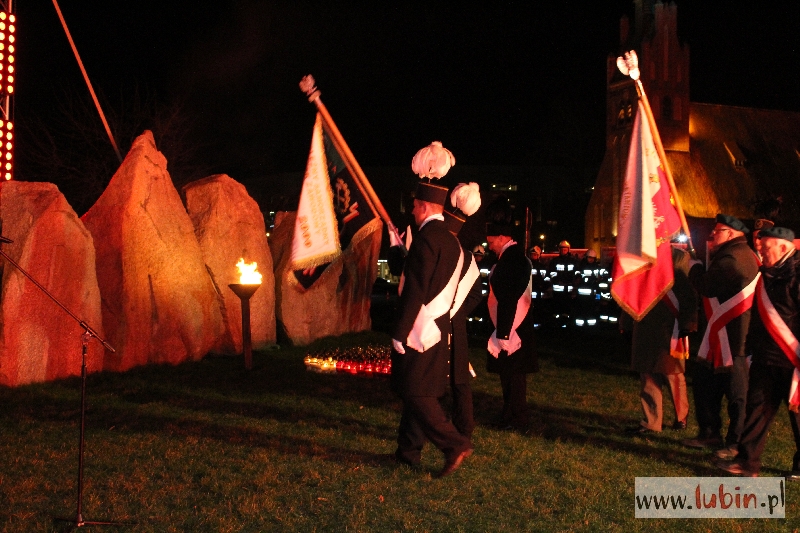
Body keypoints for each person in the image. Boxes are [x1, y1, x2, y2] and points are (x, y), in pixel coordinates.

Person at [391, 143, 473, 478]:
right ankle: (407, 452)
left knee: (415, 390)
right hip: (440, 328)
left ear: (424, 206)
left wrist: (399, 332)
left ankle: (454, 444)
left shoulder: (426, 239)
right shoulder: (451, 239)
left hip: (421, 329)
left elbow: (416, 289)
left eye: (414, 206)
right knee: (417, 390)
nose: (412, 211)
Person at [716, 227, 800, 478]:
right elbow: (757, 317)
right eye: (760, 247)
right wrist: (750, 348)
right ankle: (747, 463)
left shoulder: (796, 276)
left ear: (783, 247)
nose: (761, 252)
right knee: (756, 412)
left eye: (766, 248)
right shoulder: (766, 275)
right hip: (766, 357)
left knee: (798, 417)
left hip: (792, 360)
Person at [683, 214, 760, 459]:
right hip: (723, 335)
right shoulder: (734, 254)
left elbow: (707, 286)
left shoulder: (733, 258)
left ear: (732, 234)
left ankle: (735, 441)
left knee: (737, 394)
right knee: (706, 384)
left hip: (734, 337)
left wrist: (693, 267)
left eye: (718, 231)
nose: (713, 235)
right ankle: (710, 433)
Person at [624, 245, 698, 434]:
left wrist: (687, 324)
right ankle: (652, 421)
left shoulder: (676, 272)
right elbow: (632, 296)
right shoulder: (640, 270)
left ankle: (681, 417)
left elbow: (689, 299)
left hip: (669, 329)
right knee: (648, 375)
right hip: (645, 328)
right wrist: (626, 319)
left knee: (672, 374)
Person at [484, 197, 539, 430]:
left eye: (491, 242)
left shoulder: (512, 260)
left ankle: (517, 417)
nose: (489, 246)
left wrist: (504, 333)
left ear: (501, 237)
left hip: (513, 327)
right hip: (509, 326)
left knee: (514, 377)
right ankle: (509, 413)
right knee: (508, 375)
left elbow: (509, 297)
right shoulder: (510, 258)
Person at [442, 183, 483, 439]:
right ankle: (464, 425)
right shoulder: (467, 257)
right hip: (456, 323)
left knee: (435, 378)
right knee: (460, 379)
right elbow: (477, 293)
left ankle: (441, 423)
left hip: (439, 322)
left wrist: (454, 312)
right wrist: (459, 313)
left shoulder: (440, 252)